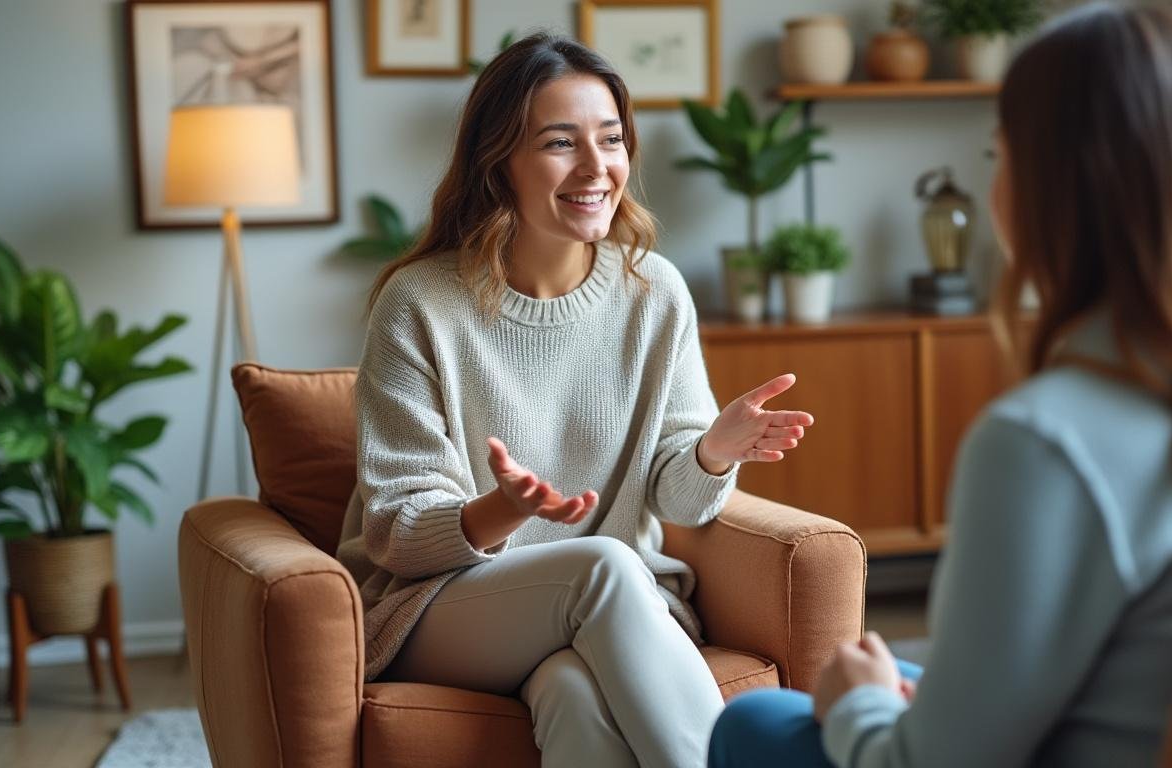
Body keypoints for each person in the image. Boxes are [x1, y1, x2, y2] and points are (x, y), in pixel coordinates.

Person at [708, 5, 1172, 767]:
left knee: (758, 719)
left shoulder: (1043, 441)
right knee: (897, 677)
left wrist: (859, 706)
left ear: (1051, 189)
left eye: (1000, 154)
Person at [334, 33, 815, 768]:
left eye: (611, 139)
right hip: (439, 606)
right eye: (561, 143)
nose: (597, 167)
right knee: (605, 567)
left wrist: (712, 453)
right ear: (499, 161)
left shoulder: (654, 293)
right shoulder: (420, 303)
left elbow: (682, 504)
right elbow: (397, 531)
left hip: (601, 611)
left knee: (574, 692)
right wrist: (504, 510)